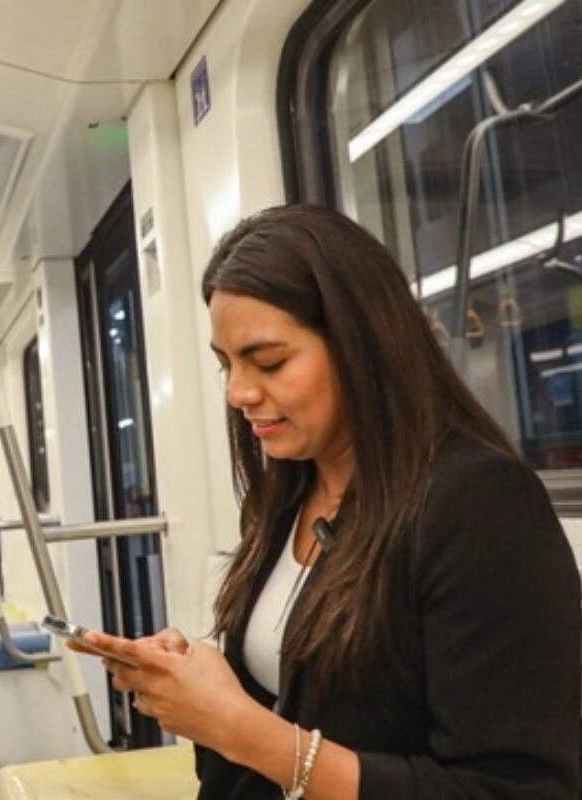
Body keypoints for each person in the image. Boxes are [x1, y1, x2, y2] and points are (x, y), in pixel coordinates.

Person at [78, 205, 581, 798]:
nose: (239, 392)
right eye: (227, 365)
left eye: (269, 362)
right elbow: (297, 693)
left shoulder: (478, 505)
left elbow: (518, 788)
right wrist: (206, 685)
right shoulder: (289, 495)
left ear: (362, 346)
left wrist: (244, 730)